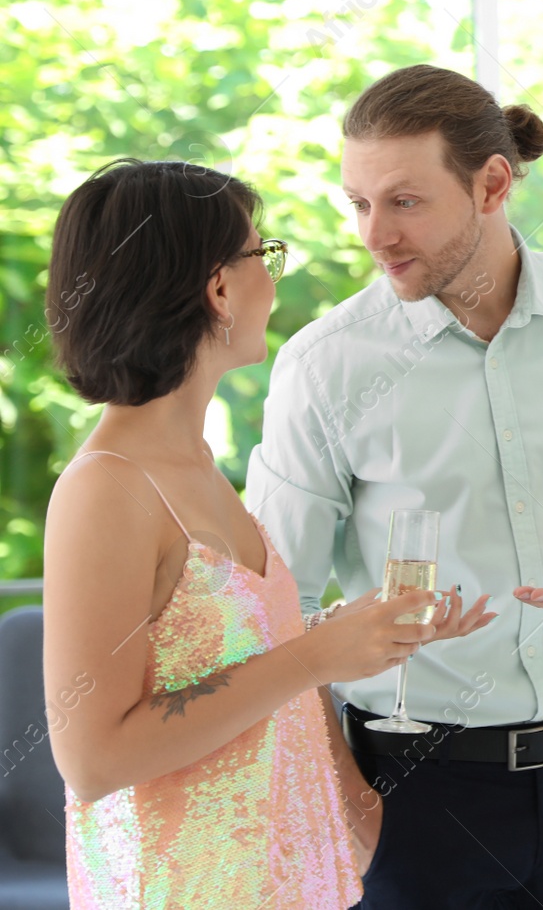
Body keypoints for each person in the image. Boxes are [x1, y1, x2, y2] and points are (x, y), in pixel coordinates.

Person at [244, 64, 543, 909]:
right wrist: (354, 806)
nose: (374, 234)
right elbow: (275, 612)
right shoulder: (326, 364)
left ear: (492, 183)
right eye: (358, 203)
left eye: (405, 202)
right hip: (413, 796)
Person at [41, 158, 497, 909]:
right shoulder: (106, 487)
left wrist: (359, 633)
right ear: (218, 287)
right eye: (264, 254)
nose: (274, 278)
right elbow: (91, 758)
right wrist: (321, 652)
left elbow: (232, 657)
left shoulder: (196, 464)